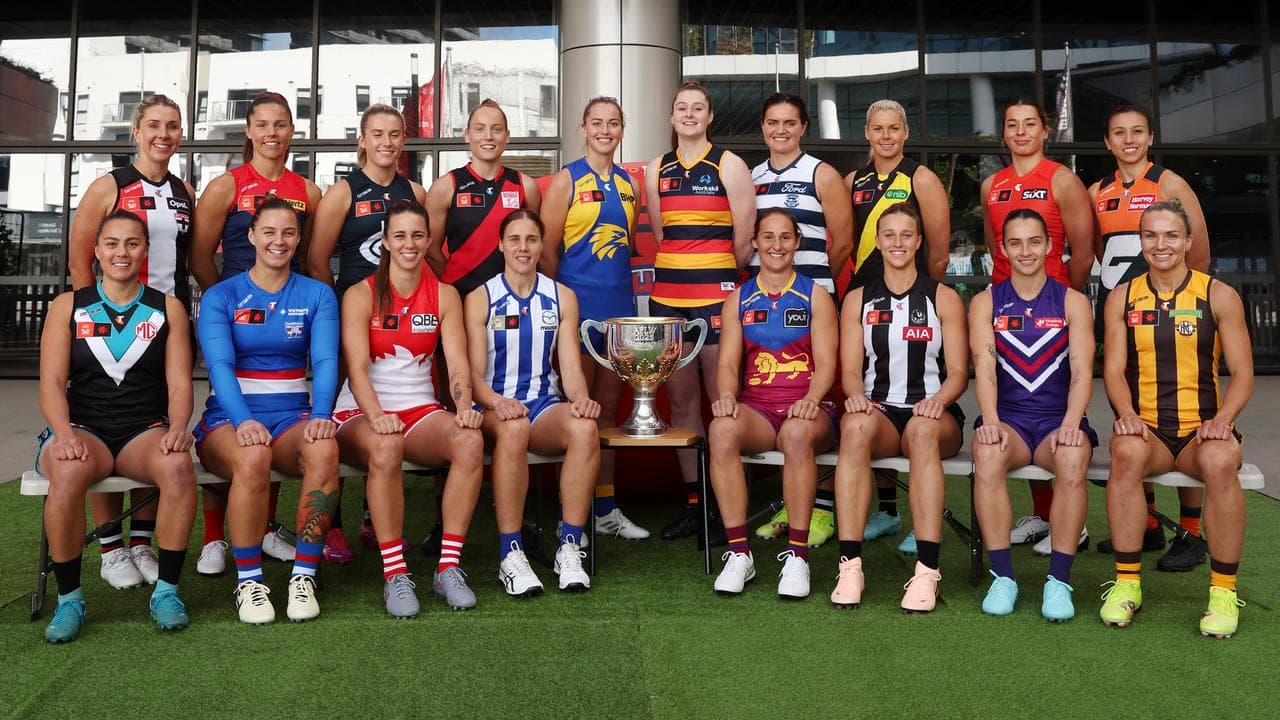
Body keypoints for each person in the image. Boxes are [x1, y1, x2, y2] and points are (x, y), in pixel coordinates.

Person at [37, 210, 196, 642]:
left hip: (142, 431)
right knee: (67, 473)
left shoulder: (169, 309)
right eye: (111, 243)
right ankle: (69, 600)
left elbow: (180, 384)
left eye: (131, 243)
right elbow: (51, 382)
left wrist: (178, 427)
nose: (121, 252)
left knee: (179, 466)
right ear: (96, 251)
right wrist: (64, 434)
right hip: (83, 428)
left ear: (145, 249)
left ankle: (166, 592)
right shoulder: (69, 305)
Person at [1099, 199, 1253, 638]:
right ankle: (1127, 584)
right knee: (1124, 452)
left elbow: (1243, 374)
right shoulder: (1122, 297)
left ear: (1188, 241)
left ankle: (1223, 591)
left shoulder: (1217, 294)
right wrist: (1127, 415)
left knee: (1222, 462)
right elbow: (1112, 370)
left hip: (1203, 431)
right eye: (1150, 235)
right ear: (1141, 242)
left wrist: (1223, 420)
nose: (1160, 244)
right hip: (1149, 431)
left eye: (1170, 235)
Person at [66, 94, 195, 590]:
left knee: (156, 424)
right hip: (111, 320)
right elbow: (82, 258)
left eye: (173, 126)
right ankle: (112, 548)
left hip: (165, 321)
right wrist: (89, 316)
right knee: (102, 417)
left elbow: (187, 259)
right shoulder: (110, 185)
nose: (163, 134)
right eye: (154, 126)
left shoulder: (183, 190)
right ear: (136, 132)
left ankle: (141, 542)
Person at [191, 92, 321, 574]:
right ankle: (212, 538)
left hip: (285, 317)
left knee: (283, 409)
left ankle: (265, 529)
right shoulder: (227, 185)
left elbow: (310, 257)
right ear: (248, 130)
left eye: (281, 124)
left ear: (291, 131)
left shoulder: (308, 190)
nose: (272, 133)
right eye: (263, 124)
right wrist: (226, 306)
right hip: (237, 316)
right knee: (227, 412)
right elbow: (201, 255)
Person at [333, 200, 484, 616]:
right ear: (384, 241)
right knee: (385, 446)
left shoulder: (445, 295)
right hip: (360, 410)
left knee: (469, 441)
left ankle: (447, 567)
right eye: (399, 235)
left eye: (417, 235)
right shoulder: (360, 294)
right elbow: (357, 368)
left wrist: (465, 405)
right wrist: (377, 414)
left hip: (420, 409)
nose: (409, 244)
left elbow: (457, 364)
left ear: (429, 240)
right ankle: (395, 574)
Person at [193, 198, 340, 625]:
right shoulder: (222, 295)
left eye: (289, 233)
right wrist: (243, 421)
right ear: (251, 236)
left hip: (293, 413)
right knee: (252, 456)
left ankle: (304, 575)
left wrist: (322, 414)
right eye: (270, 232)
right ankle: (250, 581)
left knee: (325, 450)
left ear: (298, 239)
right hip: (230, 415)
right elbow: (219, 366)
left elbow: (327, 361)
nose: (279, 241)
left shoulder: (317, 294)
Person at [1089, 104, 1212, 571]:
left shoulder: (1170, 183)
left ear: (1151, 137)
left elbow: (1196, 248)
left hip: (1176, 313)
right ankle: (1147, 524)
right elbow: (1097, 253)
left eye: (1137, 131)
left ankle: (1192, 532)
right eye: (1119, 132)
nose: (1128, 140)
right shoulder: (1096, 189)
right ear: (1107, 141)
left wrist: (1186, 306)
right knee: (1134, 413)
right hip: (1124, 311)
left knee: (1186, 414)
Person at [830, 203, 968, 613]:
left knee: (923, 432)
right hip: (883, 412)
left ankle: (927, 570)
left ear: (919, 241)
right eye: (888, 234)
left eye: (906, 235)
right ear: (878, 241)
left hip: (935, 414)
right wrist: (855, 397)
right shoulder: (858, 299)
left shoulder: (943, 297)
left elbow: (959, 373)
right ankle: (850, 564)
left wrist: (937, 402)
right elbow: (851, 371)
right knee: (854, 428)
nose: (897, 243)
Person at [308, 103, 428, 565]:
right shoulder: (342, 192)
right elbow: (318, 260)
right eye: (377, 134)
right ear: (362, 139)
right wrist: (335, 315)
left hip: (398, 324)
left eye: (395, 134)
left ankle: (369, 518)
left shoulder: (413, 191)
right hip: (351, 319)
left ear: (403, 141)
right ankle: (331, 525)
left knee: (386, 411)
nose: (386, 142)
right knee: (340, 414)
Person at [420, 98, 541, 554]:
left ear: (507, 138)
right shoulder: (447, 186)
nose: (489, 136)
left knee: (513, 407)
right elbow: (431, 247)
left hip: (511, 317)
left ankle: (516, 515)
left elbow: (533, 243)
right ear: (467, 136)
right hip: (458, 313)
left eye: (497, 129)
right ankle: (442, 519)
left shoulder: (525, 186)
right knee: (452, 411)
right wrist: (456, 283)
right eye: (480, 129)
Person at [969, 209, 1096, 621]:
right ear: (1002, 249)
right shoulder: (985, 302)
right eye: (1016, 243)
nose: (1026, 251)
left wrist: (1072, 424)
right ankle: (1002, 576)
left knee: (1074, 458)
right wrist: (989, 420)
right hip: (1009, 420)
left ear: (1050, 246)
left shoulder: (1073, 302)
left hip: (1058, 420)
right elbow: (984, 369)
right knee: (986, 455)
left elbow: (1081, 371)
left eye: (1034, 241)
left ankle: (1058, 581)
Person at [980, 99, 1094, 553]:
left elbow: (1083, 251)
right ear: (1004, 134)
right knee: (1016, 403)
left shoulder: (1062, 179)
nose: (1021, 132)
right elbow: (996, 247)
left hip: (1053, 311)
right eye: (1012, 125)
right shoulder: (992, 183)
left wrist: (1062, 296)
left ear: (1045, 132)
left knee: (1055, 401)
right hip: (1006, 313)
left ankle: (1072, 527)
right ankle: (1043, 516)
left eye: (1030, 124)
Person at [465, 209, 600, 595]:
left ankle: (569, 547)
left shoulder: (561, 296)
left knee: (585, 429)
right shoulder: (480, 297)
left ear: (542, 245)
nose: (523, 248)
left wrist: (581, 400)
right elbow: (472, 378)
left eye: (531, 239)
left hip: (543, 403)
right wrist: (495, 401)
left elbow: (570, 367)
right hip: (493, 406)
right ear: (501, 245)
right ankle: (511, 553)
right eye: (514, 239)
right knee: (513, 428)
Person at [645, 81, 756, 543]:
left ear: (710, 117)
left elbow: (744, 243)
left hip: (715, 298)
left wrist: (715, 278)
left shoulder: (729, 165)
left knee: (721, 400)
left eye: (698, 108)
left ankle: (730, 507)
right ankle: (697, 506)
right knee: (684, 402)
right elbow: (659, 230)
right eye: (681, 108)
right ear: (671, 118)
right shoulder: (656, 168)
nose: (689, 114)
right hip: (668, 297)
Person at [706, 209, 838, 598]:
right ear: (755, 244)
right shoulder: (739, 299)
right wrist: (727, 396)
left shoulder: (816, 294)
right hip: (759, 410)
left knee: (797, 434)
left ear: (797, 242)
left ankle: (797, 556)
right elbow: (729, 363)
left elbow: (829, 363)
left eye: (785, 237)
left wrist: (812, 399)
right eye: (768, 237)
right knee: (721, 429)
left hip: (809, 410)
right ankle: (739, 554)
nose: (776, 245)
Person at [539, 96, 649, 543]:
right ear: (583, 128)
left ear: (623, 129)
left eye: (614, 123)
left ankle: (605, 508)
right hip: (577, 311)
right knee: (579, 415)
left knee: (605, 414)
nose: (605, 130)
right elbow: (546, 249)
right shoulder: (566, 179)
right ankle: (576, 517)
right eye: (597, 122)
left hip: (618, 312)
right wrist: (565, 302)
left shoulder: (629, 184)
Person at [845, 99, 952, 555]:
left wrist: (924, 302)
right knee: (875, 396)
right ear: (867, 133)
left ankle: (922, 519)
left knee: (916, 396)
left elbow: (941, 252)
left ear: (905, 133)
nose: (886, 136)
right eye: (877, 129)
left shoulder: (921, 179)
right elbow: (849, 244)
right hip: (867, 302)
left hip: (915, 303)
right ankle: (886, 511)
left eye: (894, 129)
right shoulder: (854, 181)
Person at [747, 92, 851, 550]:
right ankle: (795, 507)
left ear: (804, 127)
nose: (781, 130)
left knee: (821, 402)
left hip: (812, 305)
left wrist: (812, 291)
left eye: (790, 122)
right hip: (765, 309)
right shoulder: (752, 177)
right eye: (773, 123)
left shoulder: (821, 173)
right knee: (781, 403)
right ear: (764, 128)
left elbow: (842, 243)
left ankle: (823, 513)